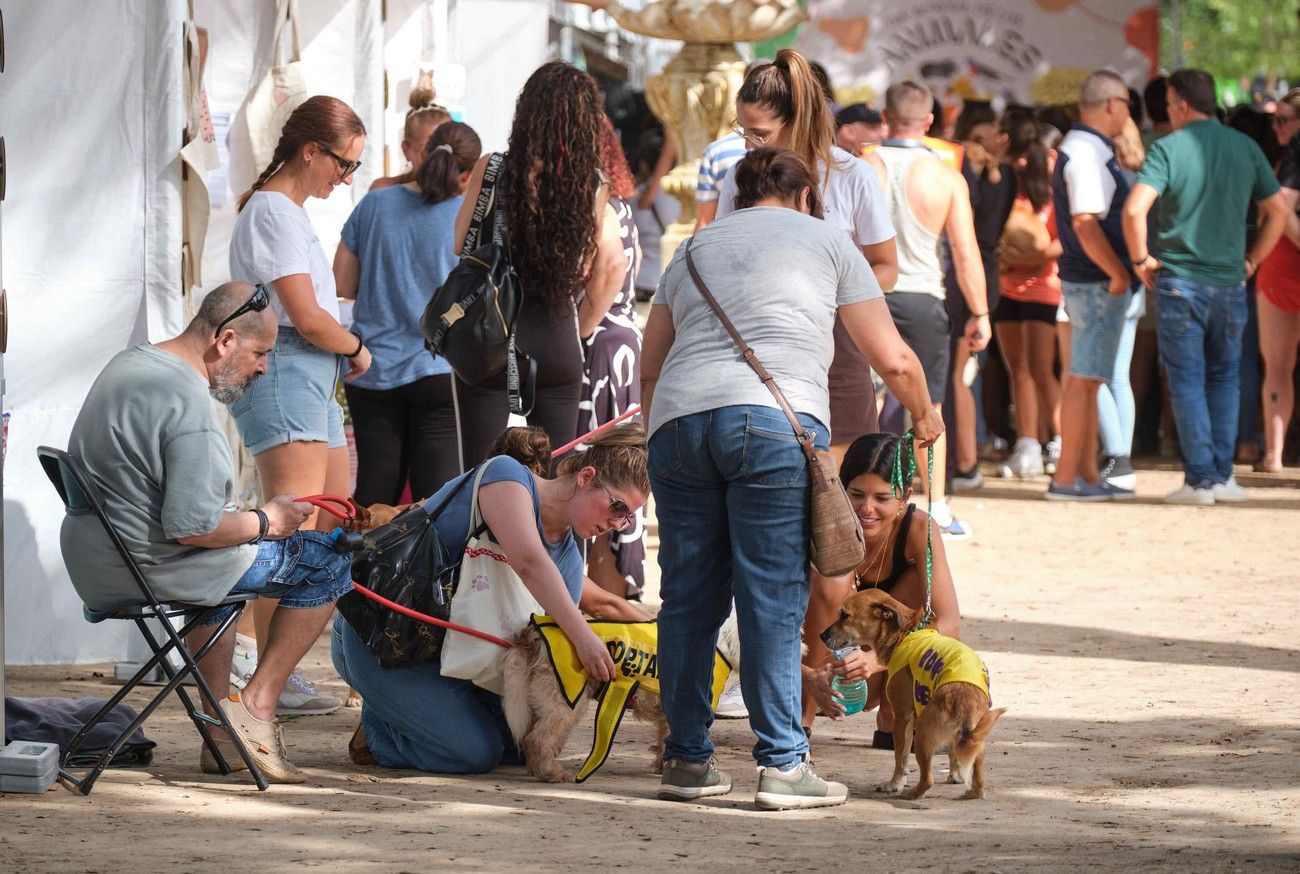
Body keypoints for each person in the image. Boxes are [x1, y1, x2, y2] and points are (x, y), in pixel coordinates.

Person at [642, 147, 940, 810]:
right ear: (807, 197)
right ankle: (781, 764)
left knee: (687, 597)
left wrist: (667, 426)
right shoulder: (827, 241)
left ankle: (686, 760)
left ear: (738, 194)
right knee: (771, 595)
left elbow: (652, 361)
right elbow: (889, 355)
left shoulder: (690, 250)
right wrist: (924, 412)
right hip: (773, 424)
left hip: (679, 423)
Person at [60, 282, 353, 783]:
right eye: (260, 353)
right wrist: (268, 521)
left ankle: (220, 732)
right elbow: (196, 527)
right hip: (150, 566)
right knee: (328, 561)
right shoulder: (188, 403)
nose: (263, 368)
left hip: (100, 560)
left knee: (228, 573)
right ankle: (256, 709)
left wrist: (248, 526)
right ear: (225, 340)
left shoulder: (130, 363)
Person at [332, 428, 644, 773]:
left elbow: (551, 644)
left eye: (628, 518)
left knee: (522, 744)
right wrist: (586, 640)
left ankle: (413, 713)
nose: (618, 524)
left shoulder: (568, 554)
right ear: (586, 477)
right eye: (618, 508)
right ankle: (382, 727)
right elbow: (528, 562)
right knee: (471, 754)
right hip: (382, 638)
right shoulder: (506, 476)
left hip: (449, 656)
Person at [228, 95, 369, 715]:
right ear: (309, 150)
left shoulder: (286, 210)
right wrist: (357, 347)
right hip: (285, 368)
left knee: (330, 524)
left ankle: (272, 671)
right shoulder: (273, 212)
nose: (345, 178)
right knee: (291, 531)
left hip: (309, 374)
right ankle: (259, 673)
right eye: (343, 164)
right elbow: (308, 318)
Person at [717, 49, 900, 464]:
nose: (748, 143)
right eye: (742, 129)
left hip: (839, 340)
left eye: (760, 133)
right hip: (758, 343)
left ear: (795, 121)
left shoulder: (852, 175)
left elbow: (886, 266)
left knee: (843, 482)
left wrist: (837, 297)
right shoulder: (739, 176)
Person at [1123, 69, 1289, 504]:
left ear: (1179, 104)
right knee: (1225, 378)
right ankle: (1223, 476)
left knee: (1188, 380)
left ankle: (1200, 479)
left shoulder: (1168, 148)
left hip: (1180, 281)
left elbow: (1134, 210)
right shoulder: (1245, 147)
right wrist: (1252, 259)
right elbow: (1276, 212)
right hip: (1231, 282)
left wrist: (1141, 258)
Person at [452, 61, 609, 466]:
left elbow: (460, 244)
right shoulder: (593, 184)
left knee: (481, 476)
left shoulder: (493, 169)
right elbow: (585, 269)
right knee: (555, 480)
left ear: (527, 113)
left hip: (491, 336)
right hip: (556, 338)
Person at [862, 80, 989, 536]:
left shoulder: (860, 167)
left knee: (865, 400)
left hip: (866, 293)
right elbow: (966, 251)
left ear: (883, 117)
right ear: (930, 122)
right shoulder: (945, 176)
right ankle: (934, 505)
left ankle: (860, 500)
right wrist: (980, 312)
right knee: (927, 404)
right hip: (922, 297)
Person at [334, 121, 481, 504]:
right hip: (440, 372)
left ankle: (364, 566)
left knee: (374, 496)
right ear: (466, 173)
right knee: (436, 503)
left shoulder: (376, 203)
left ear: (424, 152)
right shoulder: (467, 219)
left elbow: (342, 284)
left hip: (372, 369)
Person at [803, 432, 961, 748]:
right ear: (840, 490)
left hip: (878, 665)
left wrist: (880, 659)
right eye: (856, 495)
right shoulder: (820, 520)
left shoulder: (918, 529)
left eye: (882, 498)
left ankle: (895, 719)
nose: (867, 509)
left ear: (905, 498)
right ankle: (799, 720)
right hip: (816, 667)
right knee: (831, 581)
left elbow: (950, 624)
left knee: (921, 593)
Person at [1045, 71, 1140, 502]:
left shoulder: (1086, 148)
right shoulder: (1086, 152)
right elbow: (1085, 221)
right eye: (1126, 104)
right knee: (1084, 379)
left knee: (1088, 378)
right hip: (1096, 281)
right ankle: (1067, 478)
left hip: (1089, 280)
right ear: (1112, 104)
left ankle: (1081, 470)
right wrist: (1118, 273)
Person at [577, 115, 647, 601]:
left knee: (600, 481)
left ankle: (608, 613)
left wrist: (577, 329)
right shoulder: (621, 204)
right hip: (622, 343)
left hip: (598, 346)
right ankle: (615, 605)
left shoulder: (596, 205)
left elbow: (610, 267)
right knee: (613, 479)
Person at [995, 118, 1063, 478]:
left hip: (1044, 290)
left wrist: (1028, 259)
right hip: (1009, 289)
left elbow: (1062, 242)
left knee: (1041, 367)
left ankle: (1059, 440)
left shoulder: (1054, 196)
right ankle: (1028, 444)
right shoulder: (1012, 194)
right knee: (1018, 369)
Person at [1255, 89, 1300, 472]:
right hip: (1279, 266)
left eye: (1284, 120)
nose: (1278, 128)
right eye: (1275, 120)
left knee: (1278, 364)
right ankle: (1274, 452)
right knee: (1276, 363)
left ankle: (1275, 454)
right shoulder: (1282, 158)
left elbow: (1278, 211)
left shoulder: (1291, 157)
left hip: (1282, 260)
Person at [368, 85, 450, 192]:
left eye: (446, 147)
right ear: (406, 149)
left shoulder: (467, 194)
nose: (439, 156)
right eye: (429, 148)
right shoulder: (382, 191)